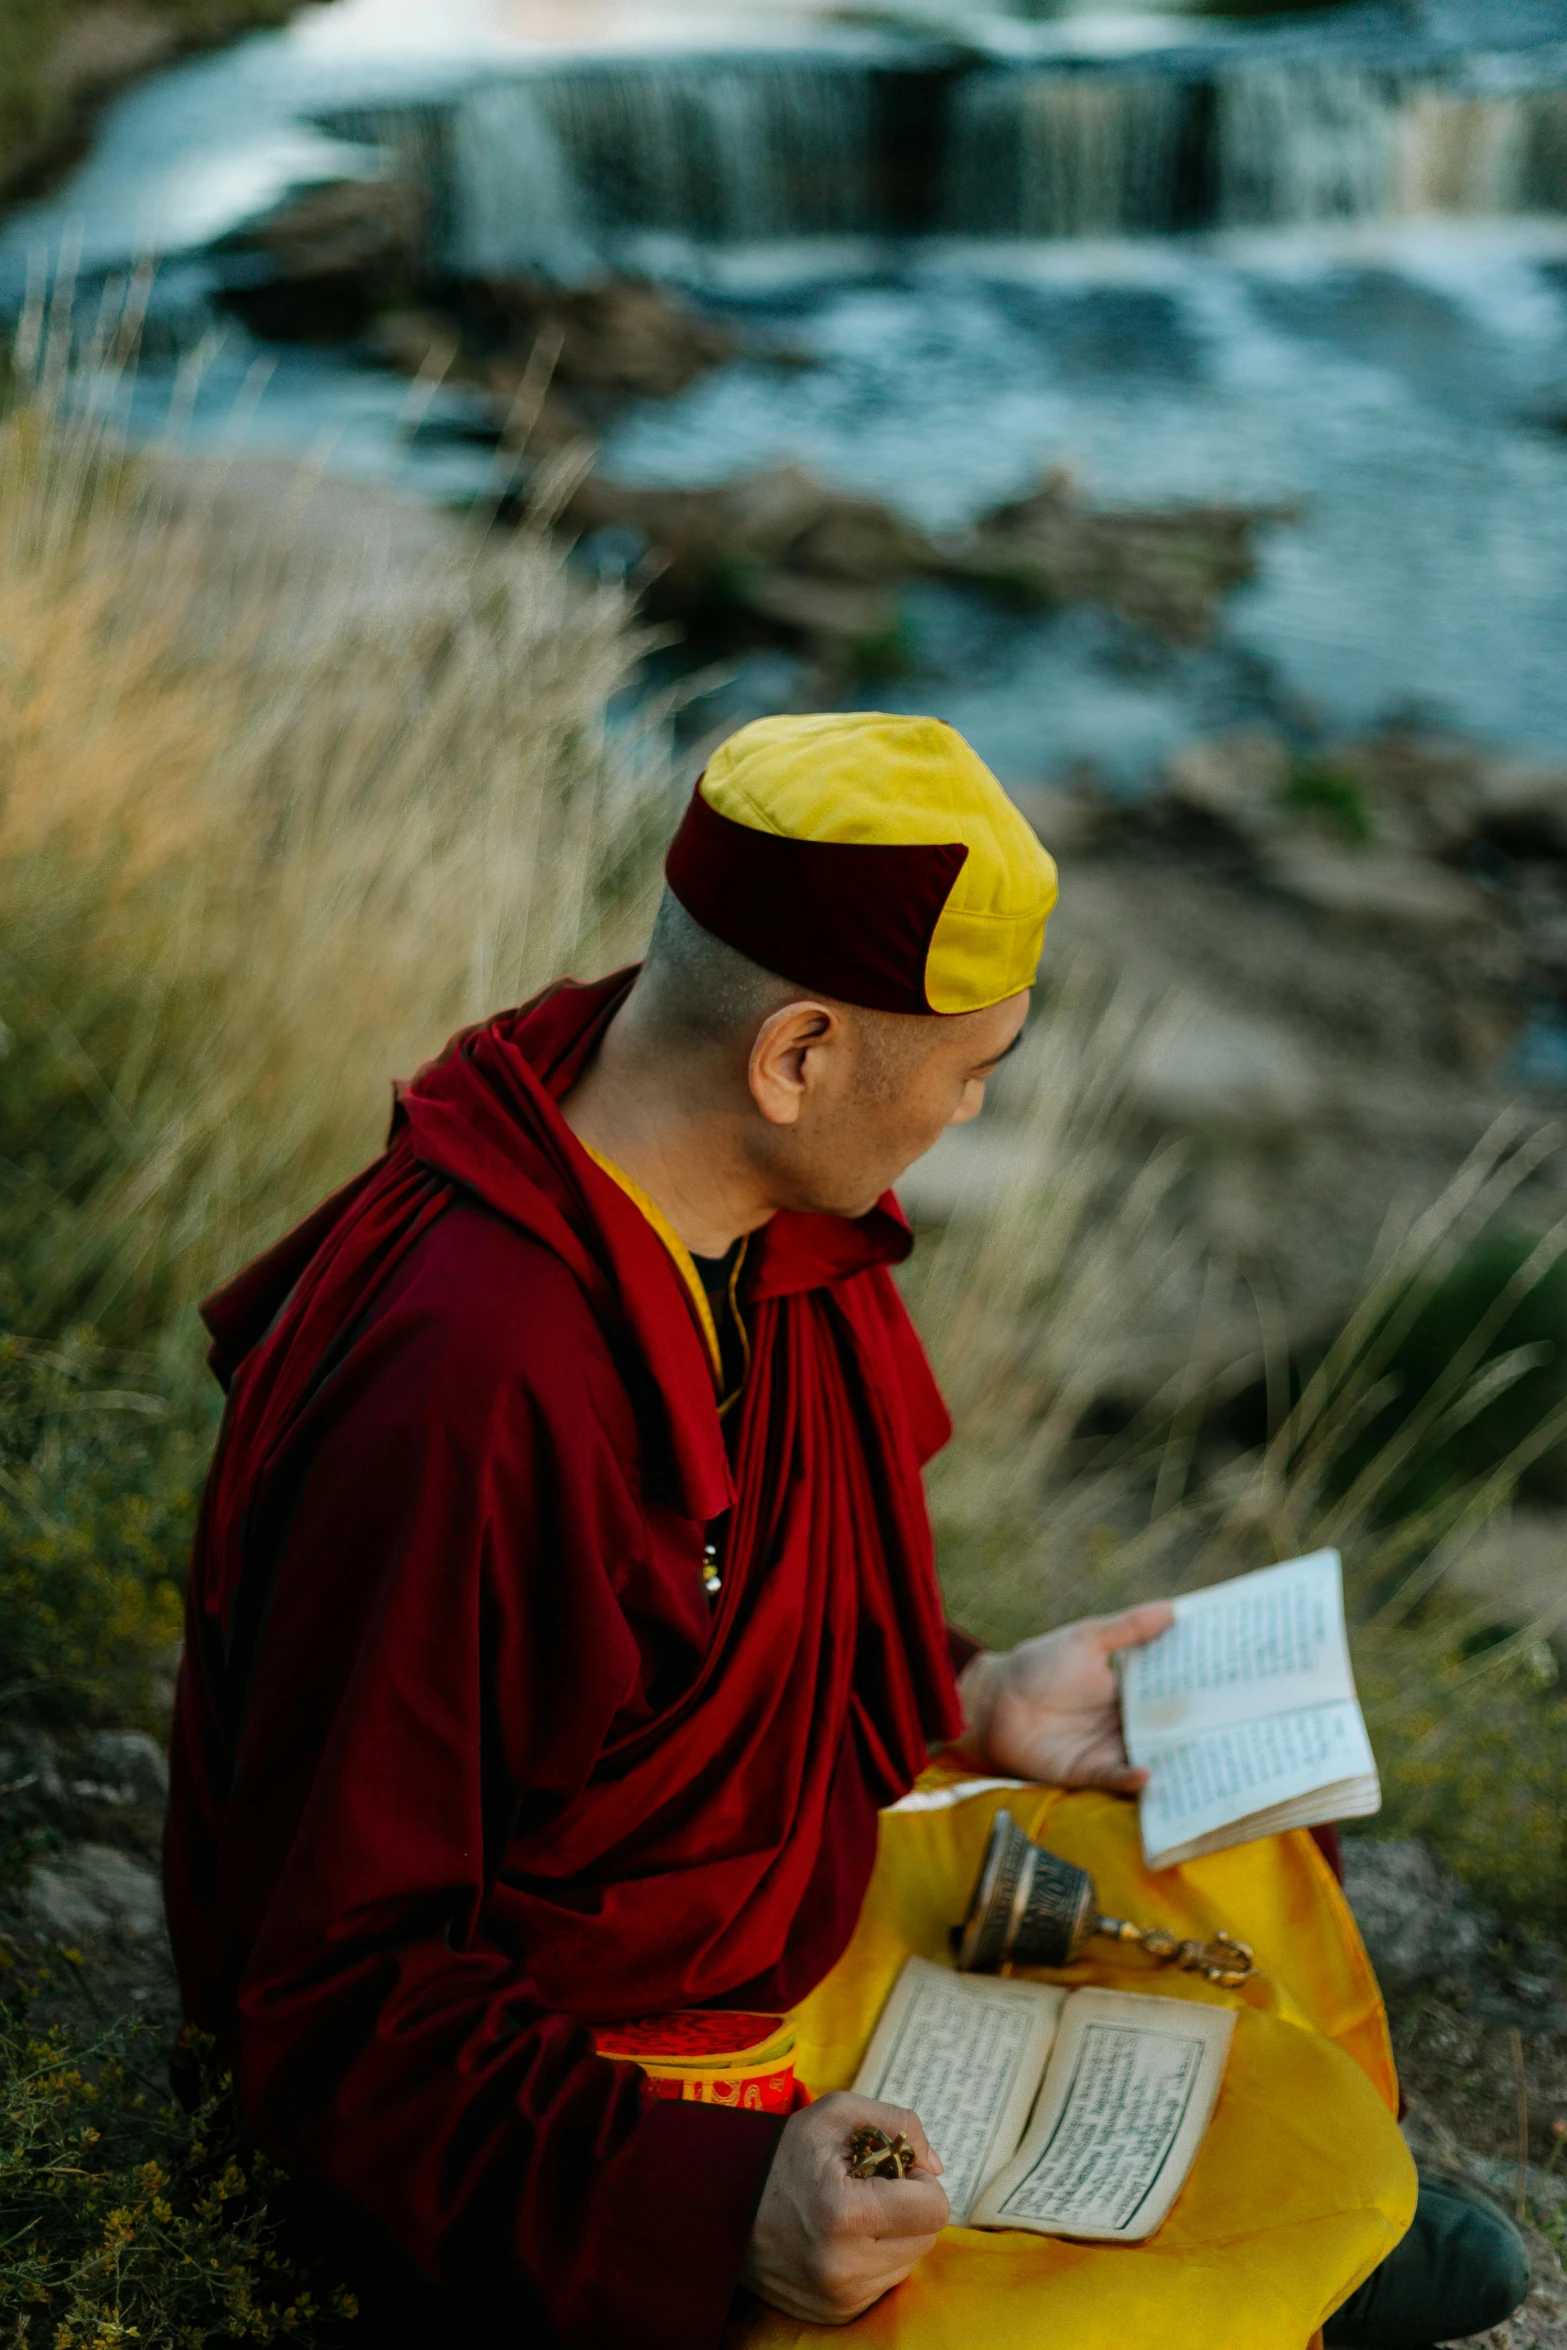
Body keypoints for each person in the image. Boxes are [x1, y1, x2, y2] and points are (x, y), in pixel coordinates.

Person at [163, 712, 1527, 2350]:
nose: (961, 1115)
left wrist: (965, 1699)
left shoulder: (717, 1185)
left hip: (759, 1893)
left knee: (1196, 1834)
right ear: (795, 1053)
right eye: (967, 1069)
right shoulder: (471, 1384)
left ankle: (1261, 2223)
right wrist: (720, 2207)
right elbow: (332, 1972)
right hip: (576, 2065)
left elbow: (698, 1637)